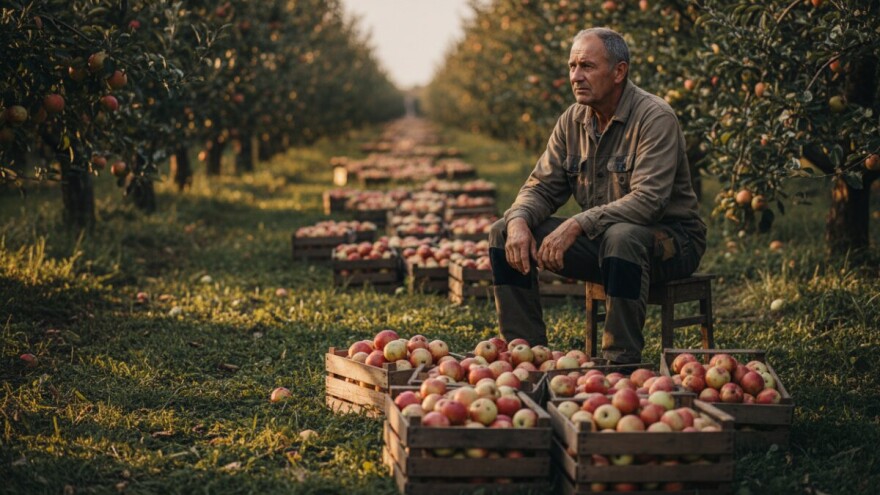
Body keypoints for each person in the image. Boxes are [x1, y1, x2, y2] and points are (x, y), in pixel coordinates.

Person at [489, 27, 706, 365]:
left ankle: (621, 361)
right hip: (605, 239)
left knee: (623, 237)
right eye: (572, 66)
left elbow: (649, 201)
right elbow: (542, 186)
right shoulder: (572, 121)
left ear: (619, 71)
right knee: (503, 231)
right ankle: (525, 354)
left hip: (673, 241)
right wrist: (518, 220)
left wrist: (577, 223)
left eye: (587, 66)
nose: (576, 76)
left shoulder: (654, 118)